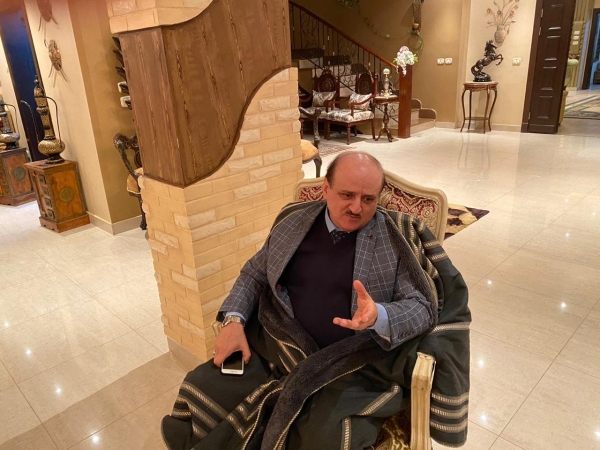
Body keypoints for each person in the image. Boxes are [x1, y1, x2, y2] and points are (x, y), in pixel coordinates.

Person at [162, 152, 470, 450]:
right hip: (278, 347)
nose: (357, 208)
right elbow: (254, 274)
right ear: (325, 189)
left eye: (368, 199)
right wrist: (233, 320)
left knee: (322, 439)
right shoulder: (292, 222)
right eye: (346, 195)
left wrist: (380, 315)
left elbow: (422, 307)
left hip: (350, 367)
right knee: (201, 388)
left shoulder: (395, 238)